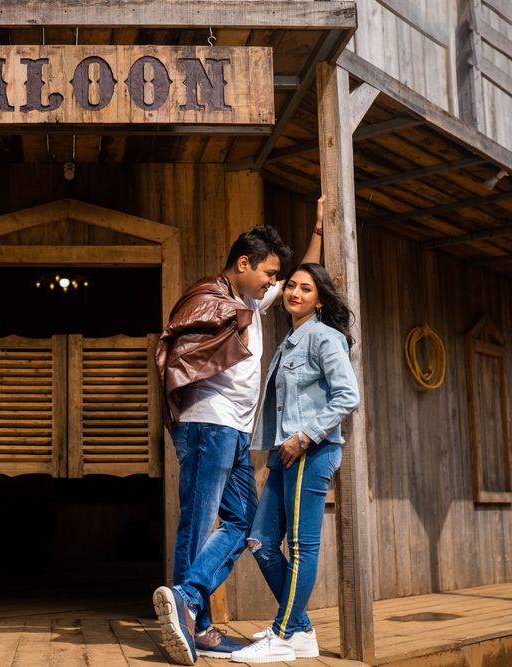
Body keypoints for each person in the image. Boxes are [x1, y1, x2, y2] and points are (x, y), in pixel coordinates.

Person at [152, 197, 326, 665]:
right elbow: (181, 349)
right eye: (270, 274)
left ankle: (189, 602)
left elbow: (299, 277)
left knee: (242, 521)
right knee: (197, 520)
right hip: (208, 424)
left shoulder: (249, 297)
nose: (276, 284)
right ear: (243, 264)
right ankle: (195, 623)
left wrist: (319, 230)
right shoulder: (213, 299)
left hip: (234, 432)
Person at [229, 263, 360, 664]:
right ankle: (299, 629)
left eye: (306, 289)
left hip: (310, 452)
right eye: (292, 286)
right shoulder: (291, 340)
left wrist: (305, 437)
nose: (295, 293)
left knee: (302, 547)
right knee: (261, 542)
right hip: (283, 453)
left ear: (319, 299)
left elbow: (347, 395)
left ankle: (284, 634)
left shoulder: (323, 337)